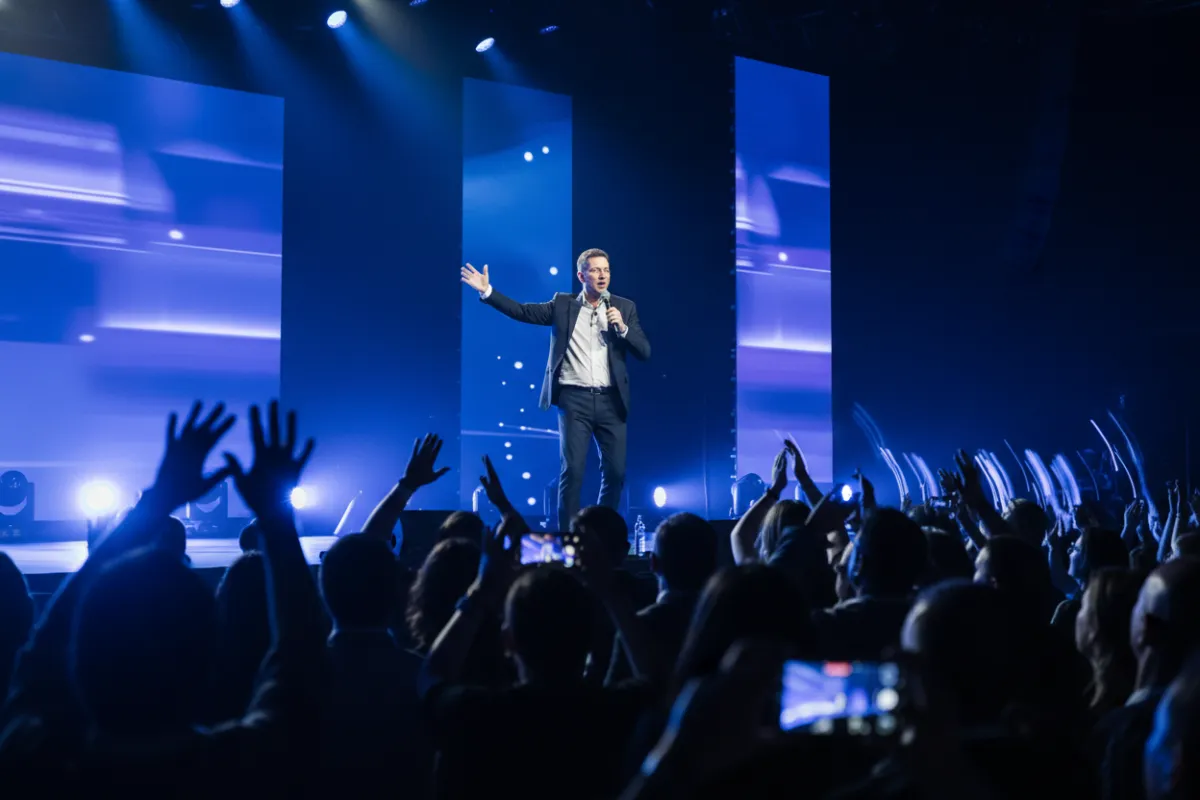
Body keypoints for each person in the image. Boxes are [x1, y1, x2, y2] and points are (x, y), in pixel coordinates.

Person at [461, 249, 652, 530]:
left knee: (615, 472)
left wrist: (622, 328)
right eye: (596, 270)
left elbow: (644, 351)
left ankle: (601, 531)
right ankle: (570, 537)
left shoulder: (624, 307)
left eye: (606, 270)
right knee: (572, 471)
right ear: (581, 275)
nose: (602, 275)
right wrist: (488, 291)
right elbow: (523, 311)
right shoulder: (562, 305)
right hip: (574, 400)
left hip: (612, 401)